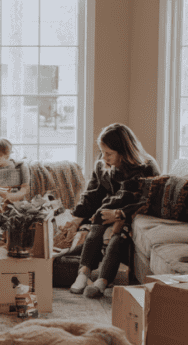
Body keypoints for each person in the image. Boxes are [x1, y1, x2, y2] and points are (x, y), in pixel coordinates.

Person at [68, 123, 159, 298]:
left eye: (109, 153)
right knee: (96, 225)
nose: (104, 157)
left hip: (130, 215)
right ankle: (83, 273)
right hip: (108, 209)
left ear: (124, 152)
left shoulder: (147, 167)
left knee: (118, 237)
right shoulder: (103, 164)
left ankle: (102, 282)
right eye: (102, 152)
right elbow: (93, 194)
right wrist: (77, 216)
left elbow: (149, 200)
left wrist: (119, 214)